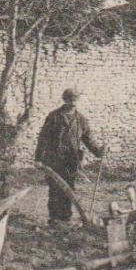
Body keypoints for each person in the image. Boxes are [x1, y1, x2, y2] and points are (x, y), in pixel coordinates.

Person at [34, 87, 105, 226]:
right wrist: (38, 158)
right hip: (54, 160)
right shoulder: (54, 116)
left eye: (75, 100)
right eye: (69, 100)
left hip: (71, 161)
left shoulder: (81, 120)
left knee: (69, 189)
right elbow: (43, 138)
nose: (72, 103)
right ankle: (54, 219)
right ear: (64, 100)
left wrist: (98, 151)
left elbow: (88, 138)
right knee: (55, 189)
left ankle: (65, 219)